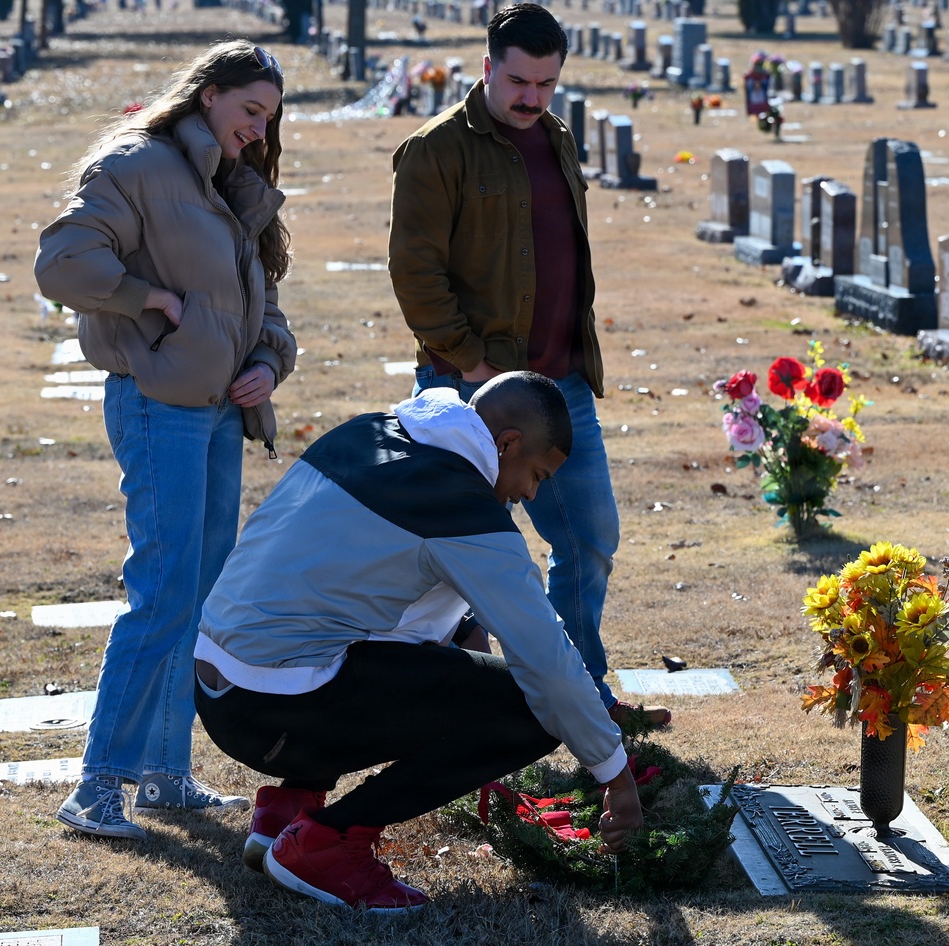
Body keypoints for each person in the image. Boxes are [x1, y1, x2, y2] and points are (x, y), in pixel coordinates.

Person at [195, 372, 644, 911]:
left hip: (219, 687)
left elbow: (386, 603)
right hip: (277, 706)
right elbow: (546, 661)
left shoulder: (370, 430)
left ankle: (290, 805)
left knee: (396, 655)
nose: (530, 494)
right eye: (537, 474)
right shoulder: (460, 504)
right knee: (532, 707)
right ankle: (326, 843)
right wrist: (614, 774)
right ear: (507, 444)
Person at [34, 40, 298, 841]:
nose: (257, 130)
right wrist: (146, 295)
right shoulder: (136, 163)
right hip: (159, 407)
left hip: (221, 411)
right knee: (161, 591)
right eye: (249, 111)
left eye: (267, 119)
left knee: (199, 595)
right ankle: (98, 784)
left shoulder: (228, 182)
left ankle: (163, 774)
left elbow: (266, 305)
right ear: (207, 94)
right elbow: (61, 263)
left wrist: (266, 362)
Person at [388, 3, 669, 728]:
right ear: (486, 67)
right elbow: (415, 272)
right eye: (519, 80)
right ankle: (449, 698)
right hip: (472, 389)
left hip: (562, 387)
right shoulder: (437, 149)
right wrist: (470, 362)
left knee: (590, 538)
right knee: (453, 557)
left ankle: (579, 699)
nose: (532, 97)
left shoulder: (558, 137)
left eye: (546, 83)